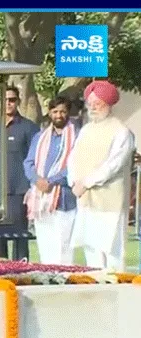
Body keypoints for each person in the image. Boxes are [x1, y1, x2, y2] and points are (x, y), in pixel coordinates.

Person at [67, 81, 135, 271]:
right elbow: (73, 157)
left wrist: (87, 182)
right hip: (86, 200)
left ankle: (117, 294)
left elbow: (113, 165)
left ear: (109, 104)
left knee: (112, 252)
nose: (93, 107)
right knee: (91, 250)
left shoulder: (121, 132)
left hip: (110, 201)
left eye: (98, 103)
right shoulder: (86, 129)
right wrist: (73, 181)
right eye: (90, 103)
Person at [0, 86, 40, 261]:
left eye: (12, 99)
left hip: (18, 190)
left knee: (19, 236)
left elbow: (37, 160)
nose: (8, 103)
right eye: (5, 99)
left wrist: (33, 188)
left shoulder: (29, 127)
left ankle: (22, 271)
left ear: (18, 101)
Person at [23, 96, 78, 265]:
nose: (59, 115)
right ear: (49, 113)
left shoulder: (77, 136)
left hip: (64, 198)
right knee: (45, 245)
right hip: (41, 199)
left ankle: (65, 283)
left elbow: (76, 165)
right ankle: (48, 283)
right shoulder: (40, 137)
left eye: (62, 111)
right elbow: (28, 163)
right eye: (55, 111)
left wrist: (52, 181)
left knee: (63, 246)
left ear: (68, 113)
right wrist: (37, 180)